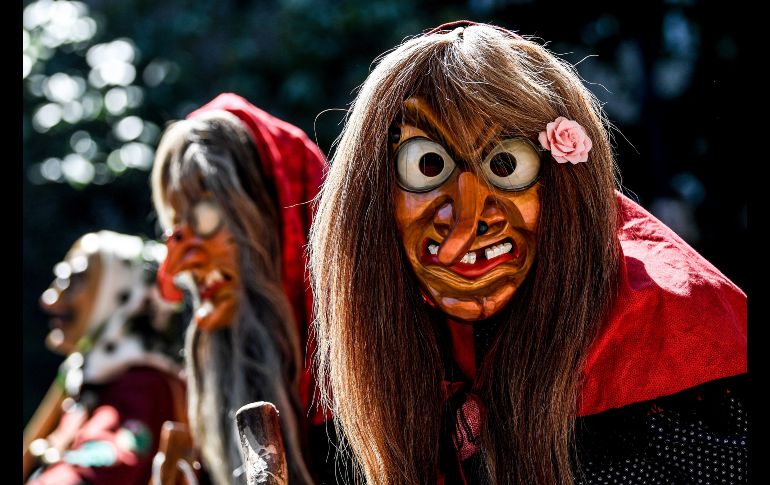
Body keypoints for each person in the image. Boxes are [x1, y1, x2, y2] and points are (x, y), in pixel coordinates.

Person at [308, 21, 747, 484]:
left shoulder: (672, 346)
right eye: (427, 165)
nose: (468, 217)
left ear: (561, 184)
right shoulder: (411, 334)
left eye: (505, 164)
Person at [151, 93, 326, 485]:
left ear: (285, 226)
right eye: (177, 227)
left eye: (208, 217)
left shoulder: (374, 414)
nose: (177, 266)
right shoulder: (187, 423)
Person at [24, 230, 186, 485]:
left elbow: (105, 467)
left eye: (74, 279)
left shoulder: (145, 387)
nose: (50, 300)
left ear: (122, 295)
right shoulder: (89, 383)